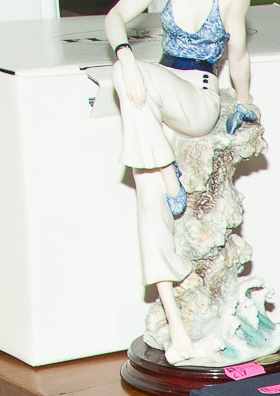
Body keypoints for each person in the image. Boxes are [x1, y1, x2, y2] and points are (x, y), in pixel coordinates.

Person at [105, 0, 258, 362]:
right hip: (156, 98)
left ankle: (165, 169)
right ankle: (177, 329)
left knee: (127, 78)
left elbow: (238, 57)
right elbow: (113, 16)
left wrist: (245, 101)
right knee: (148, 199)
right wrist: (126, 57)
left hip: (197, 99)